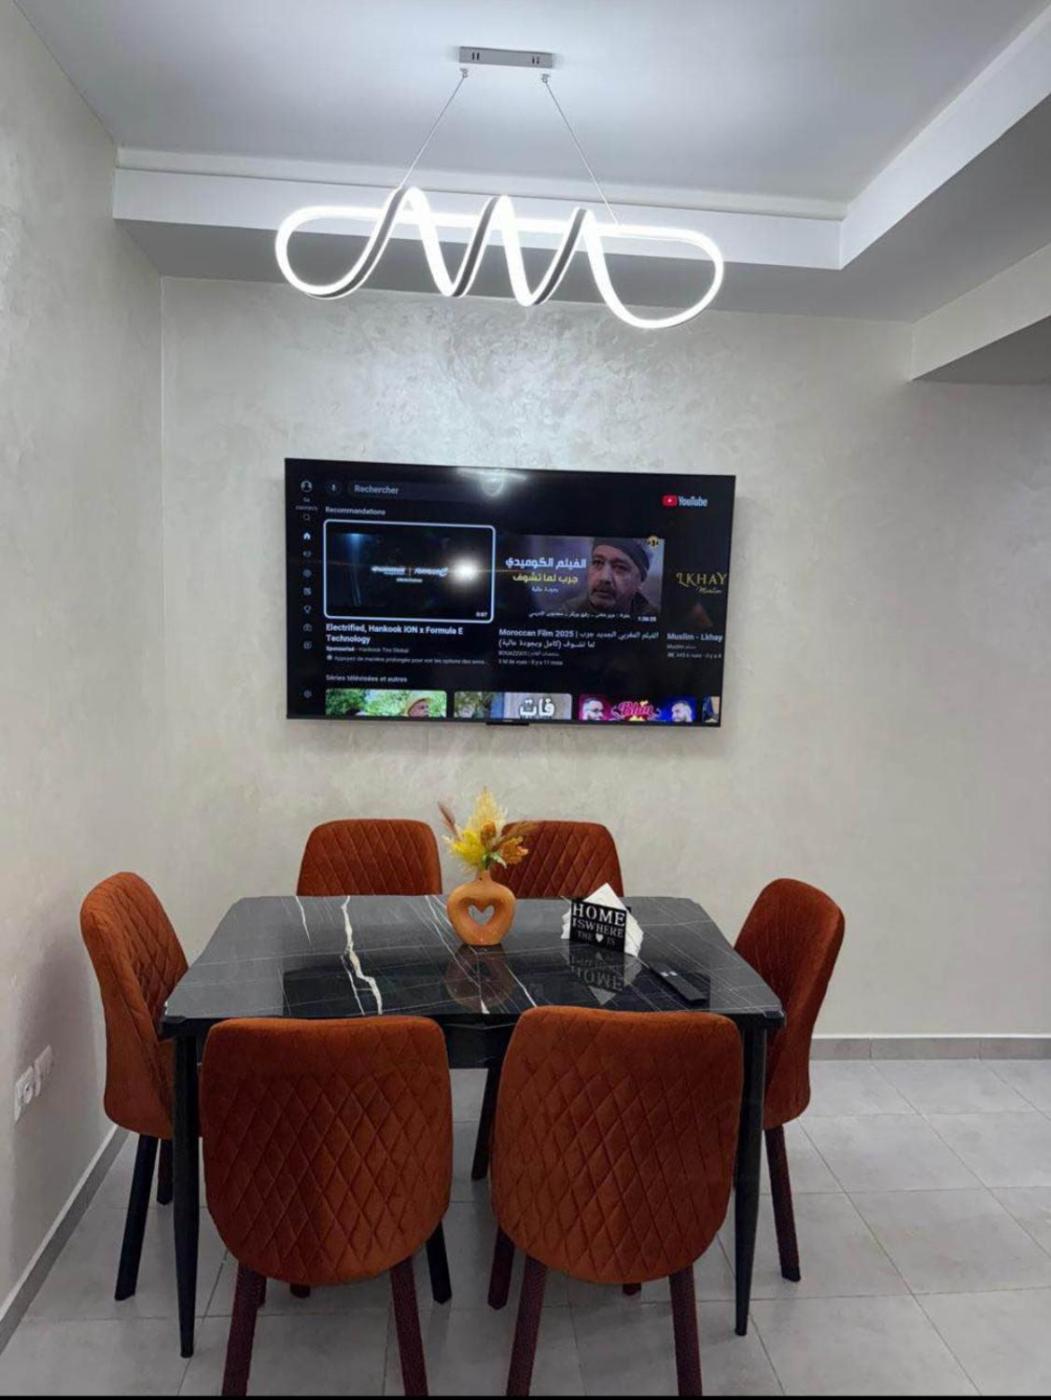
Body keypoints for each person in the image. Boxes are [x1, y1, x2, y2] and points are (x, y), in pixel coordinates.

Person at [557, 538, 656, 617]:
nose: (604, 578)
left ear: (641, 582)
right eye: (597, 562)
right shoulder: (567, 614)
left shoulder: (655, 619)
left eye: (620, 567)